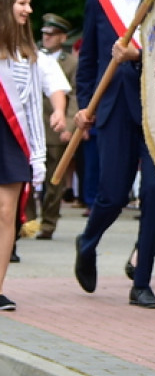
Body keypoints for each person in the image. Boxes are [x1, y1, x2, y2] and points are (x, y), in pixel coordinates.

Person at [74, 0, 155, 309]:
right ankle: (88, 240)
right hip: (112, 108)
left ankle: (142, 281)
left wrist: (141, 55)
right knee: (111, 195)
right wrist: (84, 106)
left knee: (154, 193)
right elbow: (89, 60)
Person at [0, 0, 68, 310]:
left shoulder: (32, 56)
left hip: (13, 140)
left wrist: (58, 110)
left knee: (6, 213)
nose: (29, 9)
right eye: (22, 3)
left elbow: (54, 83)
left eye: (29, 3)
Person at [30, 13, 77, 241]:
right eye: (44, 34)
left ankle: (48, 223)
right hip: (32, 127)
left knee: (54, 180)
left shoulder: (71, 62)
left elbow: (76, 96)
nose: (46, 38)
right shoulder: (32, 55)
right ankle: (28, 222)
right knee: (28, 178)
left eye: (52, 34)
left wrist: (69, 125)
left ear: (62, 37)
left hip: (56, 128)